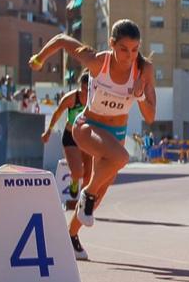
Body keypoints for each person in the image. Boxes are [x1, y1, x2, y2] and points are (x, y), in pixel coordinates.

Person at [30, 21, 157, 263]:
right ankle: (86, 194)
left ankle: (70, 235)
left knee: (98, 196)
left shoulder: (143, 69)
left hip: (115, 135)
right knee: (120, 160)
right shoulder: (99, 62)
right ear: (111, 44)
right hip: (87, 127)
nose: (129, 56)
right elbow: (62, 40)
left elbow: (150, 116)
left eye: (134, 49)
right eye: (123, 49)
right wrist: (39, 58)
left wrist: (139, 94)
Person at [41, 73, 92, 211]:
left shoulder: (94, 99)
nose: (84, 94)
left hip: (87, 138)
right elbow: (57, 113)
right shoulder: (71, 98)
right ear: (79, 86)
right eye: (82, 89)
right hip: (71, 137)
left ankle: (83, 203)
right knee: (78, 172)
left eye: (87, 90)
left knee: (88, 176)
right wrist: (48, 131)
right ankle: (74, 181)